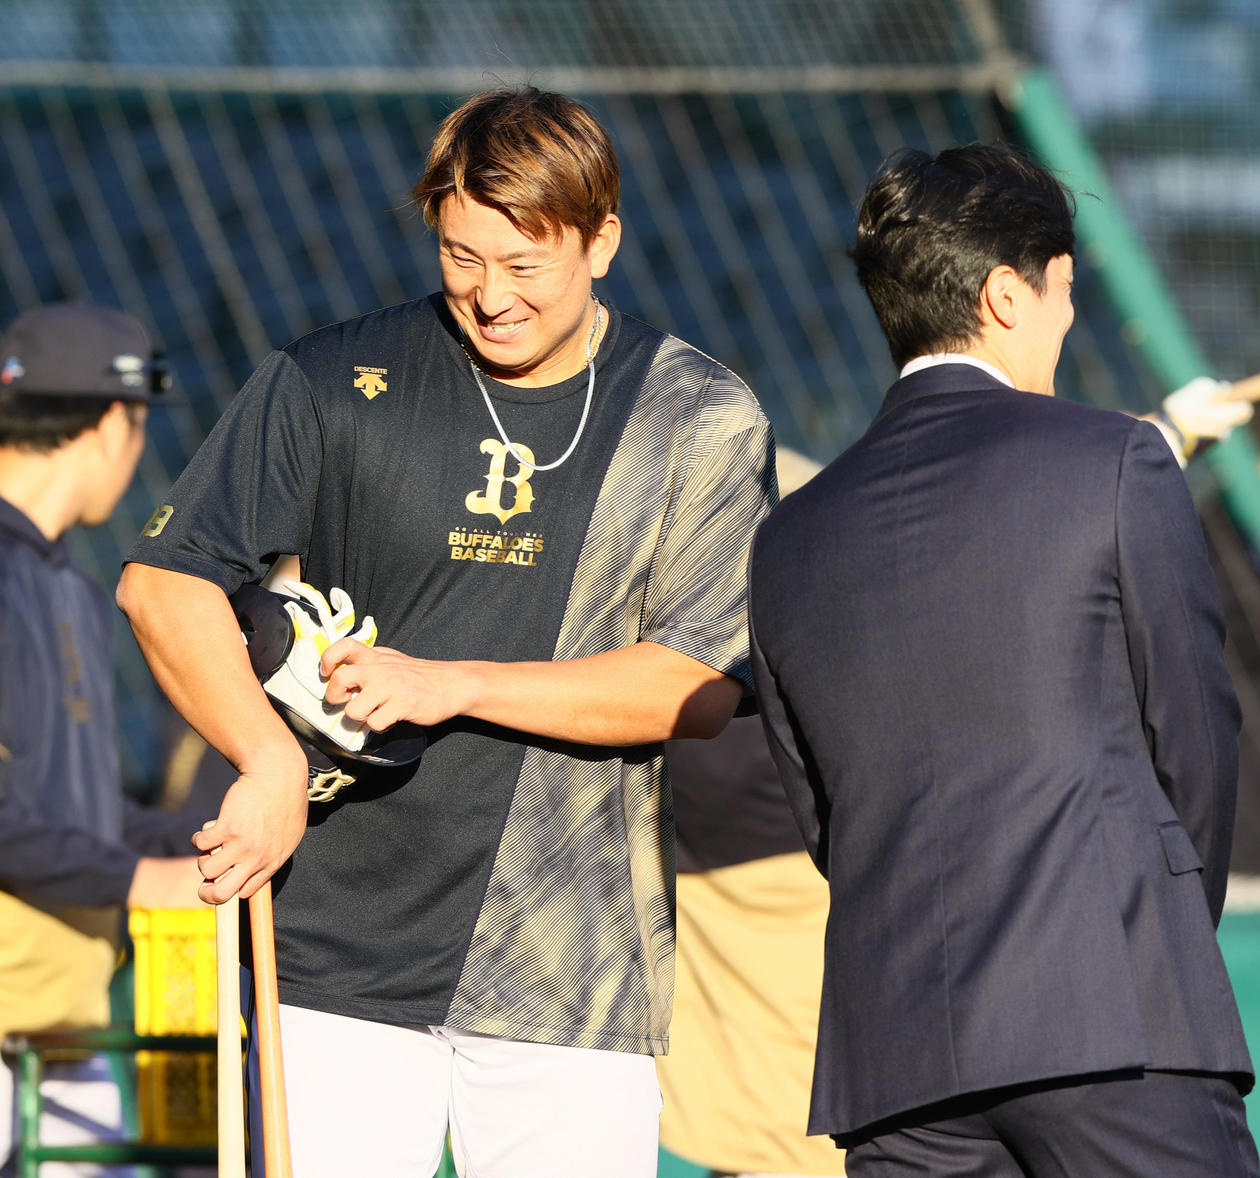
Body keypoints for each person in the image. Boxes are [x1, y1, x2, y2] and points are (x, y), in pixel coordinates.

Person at [116, 86, 775, 1178]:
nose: (490, 295)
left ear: (603, 241)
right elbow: (162, 584)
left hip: (572, 965)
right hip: (328, 955)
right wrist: (269, 756)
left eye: (527, 265)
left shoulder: (698, 414)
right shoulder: (331, 375)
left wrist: (450, 683)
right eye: (463, 256)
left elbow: (699, 685)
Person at [747, 145, 1259, 1177]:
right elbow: (1196, 741)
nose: (1068, 320)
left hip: (897, 1054)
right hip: (1116, 1012)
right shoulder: (1116, 458)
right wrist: (1153, 932)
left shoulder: (789, 536)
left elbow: (822, 810)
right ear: (1003, 295)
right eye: (1063, 291)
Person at [0, 303, 202, 1175]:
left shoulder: (66, 583)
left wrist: (215, 845)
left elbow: (74, 815)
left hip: (60, 1024)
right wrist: (149, 878)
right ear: (116, 421)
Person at [657, 446, 840, 1178]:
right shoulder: (810, 610)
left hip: (708, 855)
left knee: (742, 1092)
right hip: (785, 860)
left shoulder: (660, 615)